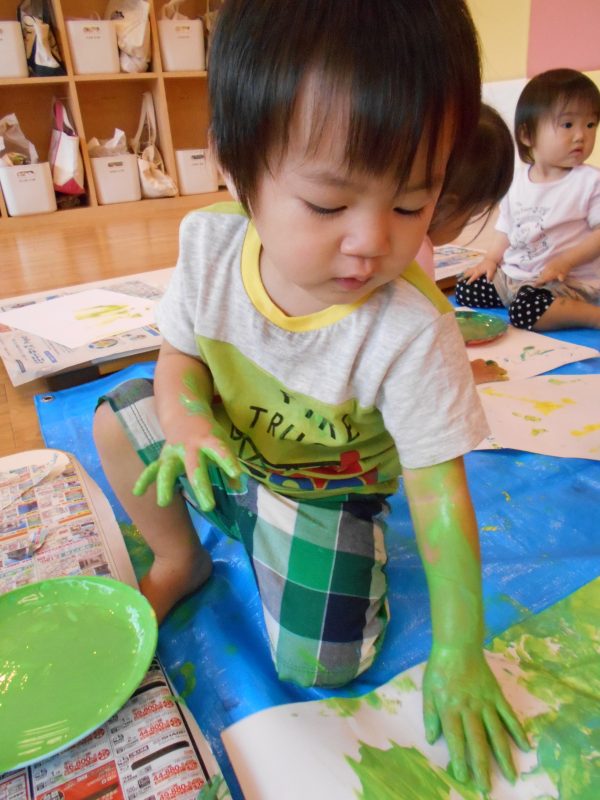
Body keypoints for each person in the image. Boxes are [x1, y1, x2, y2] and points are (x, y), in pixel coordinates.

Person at [93, 0, 528, 790]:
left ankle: (280, 542)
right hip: (221, 459)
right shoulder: (209, 246)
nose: (372, 242)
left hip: (324, 499)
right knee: (119, 423)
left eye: (410, 204)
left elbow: (439, 497)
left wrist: (461, 650)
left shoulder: (411, 330)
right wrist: (186, 424)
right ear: (236, 166)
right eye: (328, 204)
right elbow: (177, 357)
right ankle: (182, 558)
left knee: (324, 663)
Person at [455, 68, 600, 331]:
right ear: (527, 135)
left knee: (526, 311)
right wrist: (490, 260)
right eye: (568, 125)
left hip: (565, 282)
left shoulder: (589, 182)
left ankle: (591, 315)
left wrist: (566, 261)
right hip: (516, 276)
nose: (581, 135)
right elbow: (506, 227)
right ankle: (523, 301)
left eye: (590, 125)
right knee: (467, 287)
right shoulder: (517, 179)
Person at [415, 103, 514, 383]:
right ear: (447, 207)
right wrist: (460, 375)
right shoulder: (415, 251)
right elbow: (419, 338)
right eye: (472, 214)